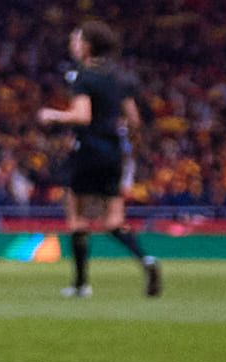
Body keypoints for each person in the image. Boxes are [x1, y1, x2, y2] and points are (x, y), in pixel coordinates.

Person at [38, 23, 160, 298]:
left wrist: (53, 115)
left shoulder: (83, 76)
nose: (72, 45)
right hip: (113, 153)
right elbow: (134, 119)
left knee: (77, 219)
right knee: (114, 220)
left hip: (88, 151)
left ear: (88, 45)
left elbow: (83, 116)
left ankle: (81, 284)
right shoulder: (120, 76)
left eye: (76, 40)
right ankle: (146, 260)